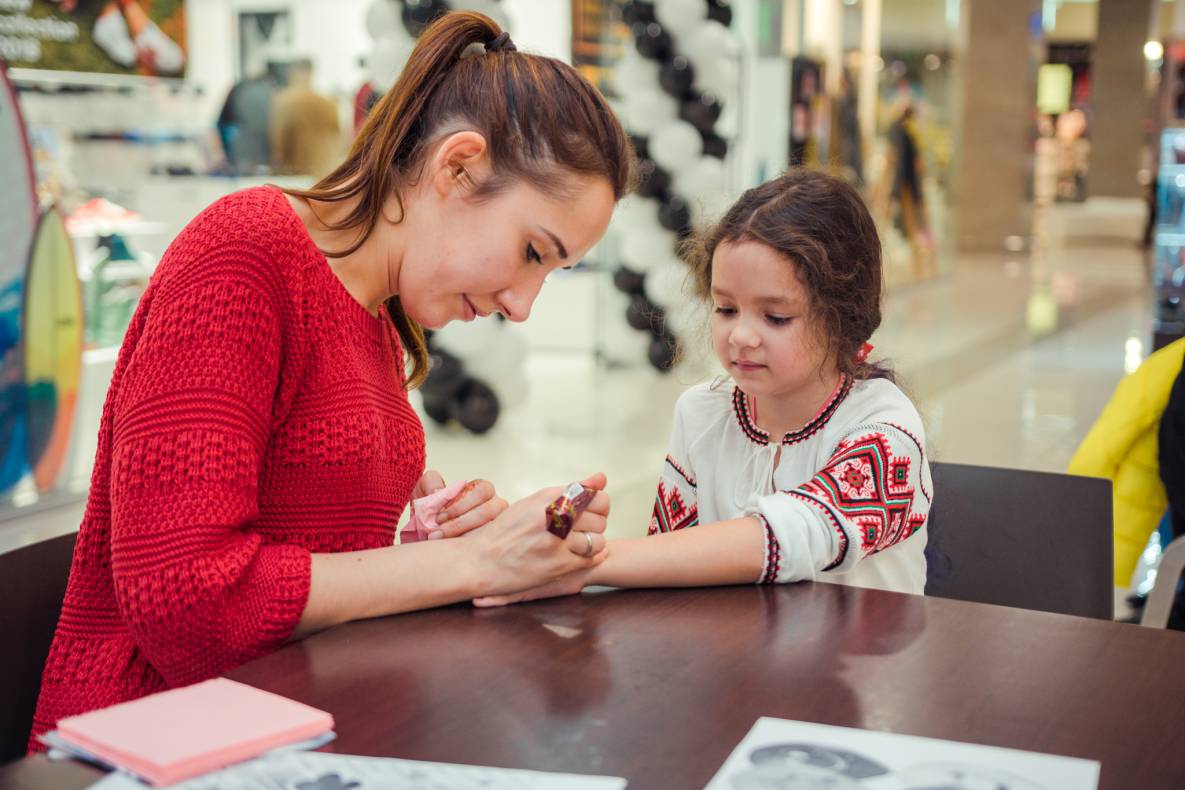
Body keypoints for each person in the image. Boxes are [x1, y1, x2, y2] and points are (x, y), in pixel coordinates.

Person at [30, 11, 632, 749]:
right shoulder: (244, 255)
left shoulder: (379, 316)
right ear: (456, 167)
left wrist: (421, 549)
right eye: (532, 252)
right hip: (146, 746)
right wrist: (461, 562)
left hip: (285, 728)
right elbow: (187, 599)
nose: (521, 303)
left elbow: (300, 561)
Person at [477, 170, 931, 608]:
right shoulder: (702, 413)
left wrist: (586, 563)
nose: (741, 336)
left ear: (842, 320)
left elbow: (801, 534)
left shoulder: (886, 428)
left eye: (775, 317)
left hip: (865, 676)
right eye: (726, 309)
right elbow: (671, 557)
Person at [270, 58, 344, 180]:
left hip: (295, 173)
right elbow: (337, 137)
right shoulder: (328, 102)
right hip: (323, 171)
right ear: (311, 72)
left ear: (293, 73)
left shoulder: (283, 101)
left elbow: (279, 144)